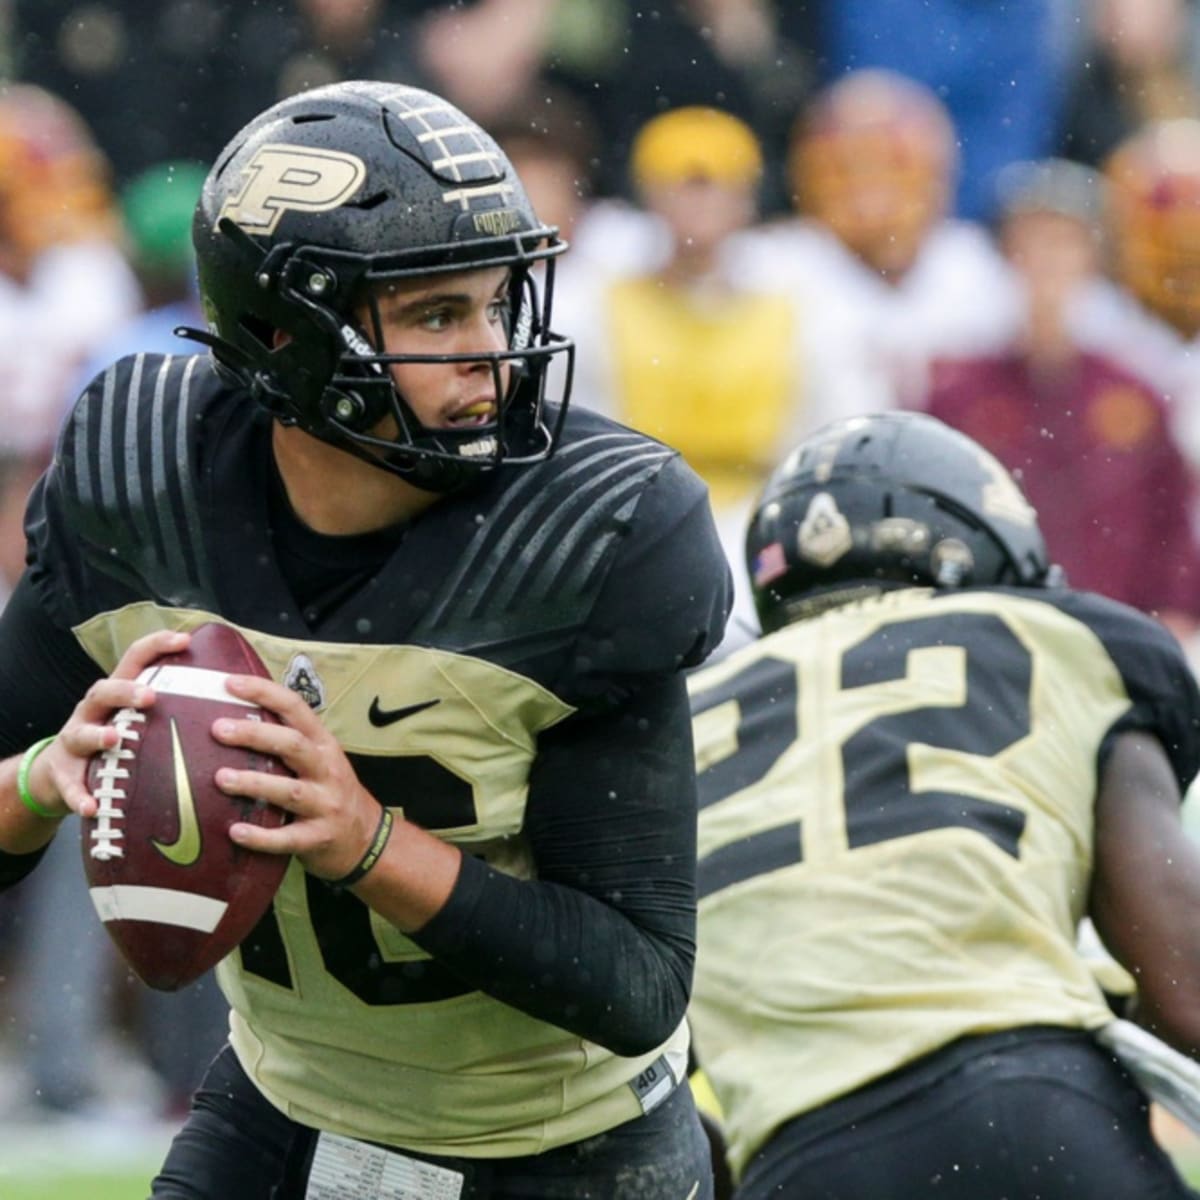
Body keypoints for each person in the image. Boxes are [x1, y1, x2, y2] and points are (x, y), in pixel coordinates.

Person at [0, 80, 731, 1199]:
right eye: (437, 316)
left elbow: (637, 982)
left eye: (497, 302)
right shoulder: (141, 488)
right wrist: (41, 782)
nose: (492, 354)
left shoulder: (589, 537)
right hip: (288, 1102)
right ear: (282, 333)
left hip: (557, 1148)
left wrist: (368, 845)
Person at [686, 410, 1200, 1198]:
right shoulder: (1059, 640)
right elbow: (1185, 987)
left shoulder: (684, 722)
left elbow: (624, 1071)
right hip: (1030, 1108)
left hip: (808, 1157)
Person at [920, 156, 1200, 633]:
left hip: (1118, 634)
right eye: (1031, 242)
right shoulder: (959, 394)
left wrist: (1170, 616)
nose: (1047, 260)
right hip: (998, 634)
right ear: (1007, 254)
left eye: (1064, 242)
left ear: (1093, 256)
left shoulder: (1134, 392)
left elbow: (1171, 523)